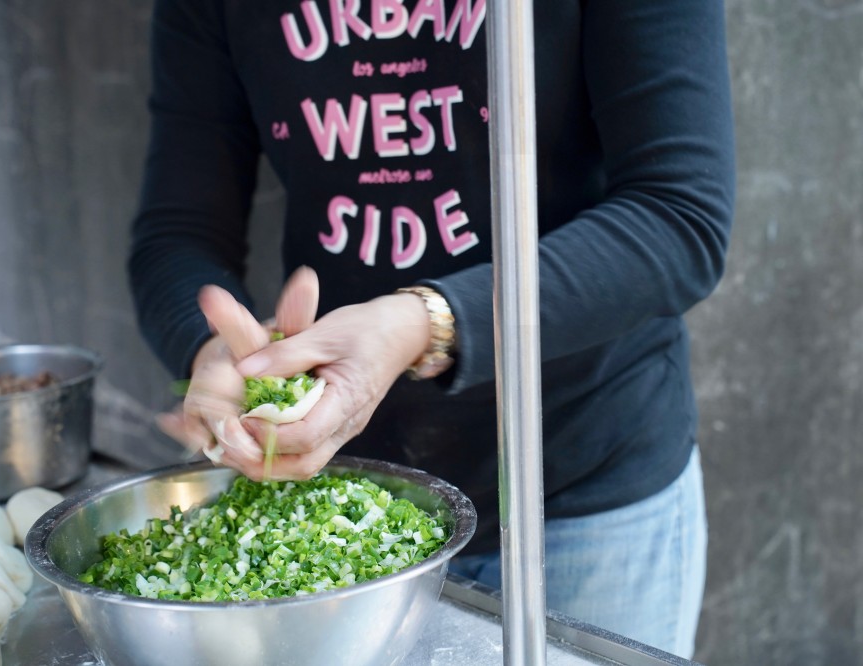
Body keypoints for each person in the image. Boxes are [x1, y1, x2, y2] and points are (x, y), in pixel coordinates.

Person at [128, 0, 735, 658]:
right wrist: (215, 347)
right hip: (347, 500)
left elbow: (680, 213)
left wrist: (424, 322)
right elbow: (178, 231)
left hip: (584, 479)